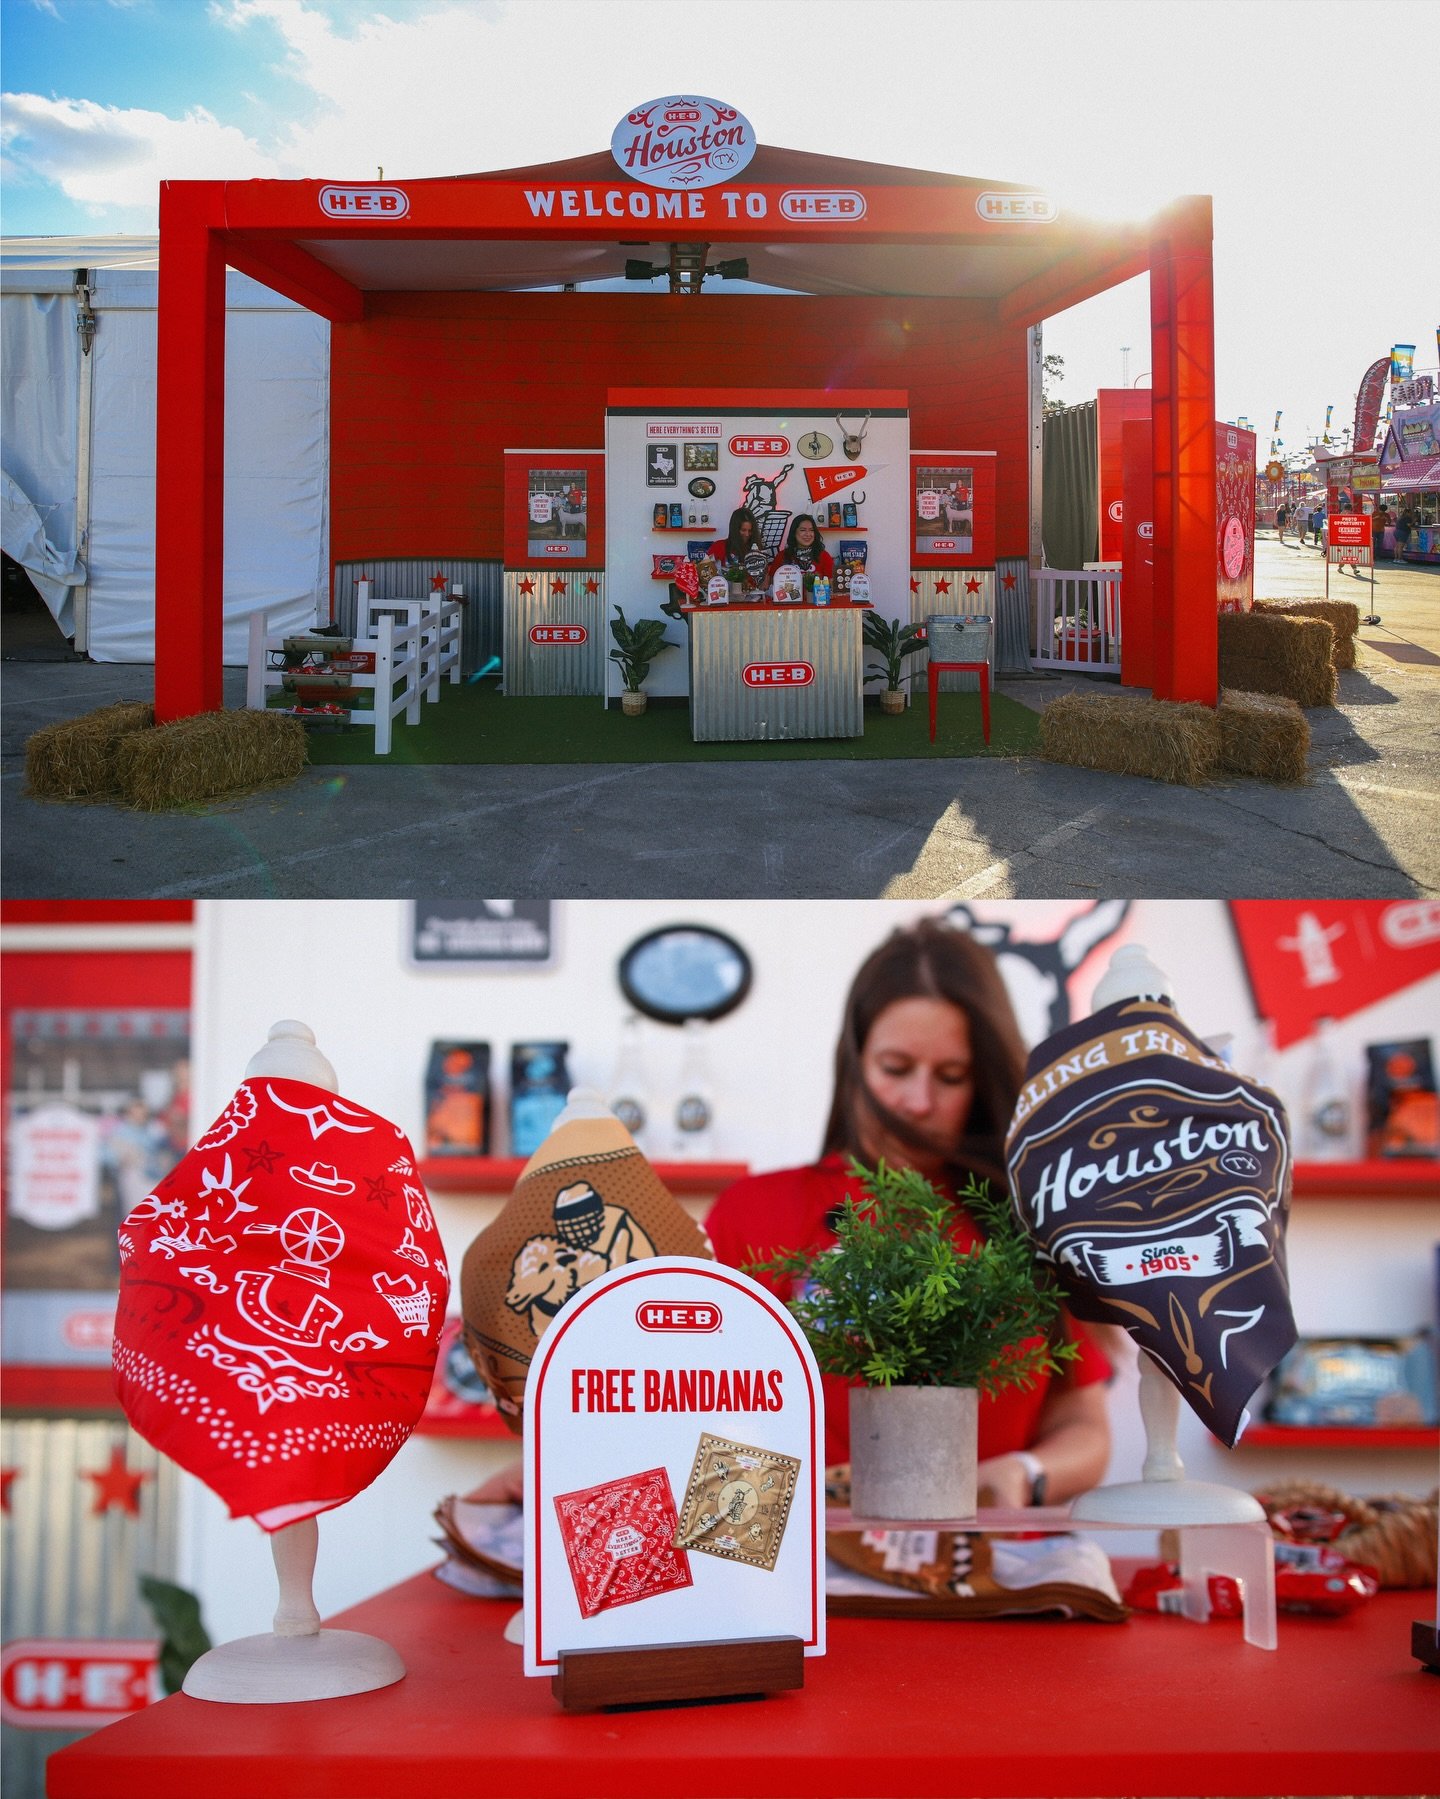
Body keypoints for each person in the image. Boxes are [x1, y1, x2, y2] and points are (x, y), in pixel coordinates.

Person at [705, 918, 1113, 1508]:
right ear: (855, 1062)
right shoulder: (753, 1214)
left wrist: (1025, 1473)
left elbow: (1084, 1424)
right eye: (895, 1069)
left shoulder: (1026, 1222)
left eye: (951, 1077)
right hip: (799, 1576)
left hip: (980, 1578)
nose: (918, 1103)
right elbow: (690, 1414)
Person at [765, 513, 834, 586]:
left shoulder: (824, 556)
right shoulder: (782, 556)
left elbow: (831, 585)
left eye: (811, 530)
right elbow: (772, 584)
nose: (808, 534)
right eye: (803, 530)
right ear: (794, 532)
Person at [709, 506, 768, 589]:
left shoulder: (757, 549)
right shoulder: (719, 546)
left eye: (750, 531)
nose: (747, 534)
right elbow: (706, 571)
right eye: (743, 530)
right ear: (734, 530)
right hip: (724, 596)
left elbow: (764, 582)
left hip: (752, 598)